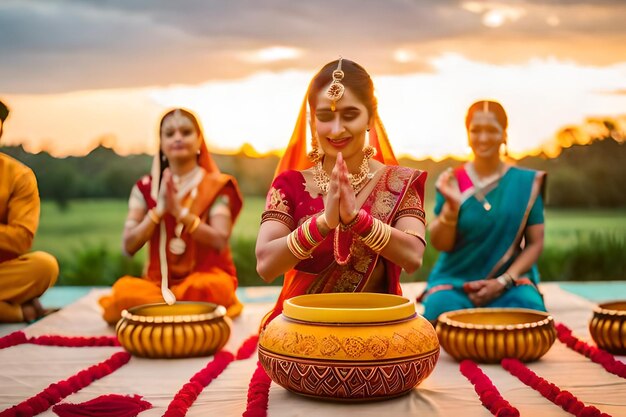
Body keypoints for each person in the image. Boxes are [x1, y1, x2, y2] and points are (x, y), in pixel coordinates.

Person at [256, 59, 428, 327]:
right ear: (312, 119)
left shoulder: (398, 182)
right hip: (301, 334)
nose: (336, 129)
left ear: (370, 117)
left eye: (350, 115)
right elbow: (266, 265)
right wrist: (324, 223)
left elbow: (414, 257)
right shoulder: (288, 184)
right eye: (325, 116)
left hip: (377, 329)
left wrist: (359, 220)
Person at [99, 108, 244, 325]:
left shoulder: (216, 185)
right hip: (158, 286)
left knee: (211, 289)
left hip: (202, 281)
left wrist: (180, 213)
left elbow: (219, 240)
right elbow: (128, 246)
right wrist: (159, 211)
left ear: (199, 141)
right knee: (124, 293)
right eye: (169, 134)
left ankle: (161, 311)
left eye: (185, 132)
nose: (177, 137)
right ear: (161, 144)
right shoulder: (146, 188)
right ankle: (178, 308)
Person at [421, 100, 547, 322]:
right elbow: (441, 244)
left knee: (529, 309)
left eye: (491, 130)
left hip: (509, 282)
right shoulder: (453, 180)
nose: (483, 137)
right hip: (457, 280)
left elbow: (535, 242)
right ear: (467, 134)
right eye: (475, 130)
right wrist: (452, 207)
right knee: (438, 309)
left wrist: (504, 281)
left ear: (504, 135)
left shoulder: (525, 183)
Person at [0, 99, 59, 323]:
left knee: (45, 266)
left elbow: (21, 239)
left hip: (4, 273)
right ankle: (20, 311)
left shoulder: (18, 176)